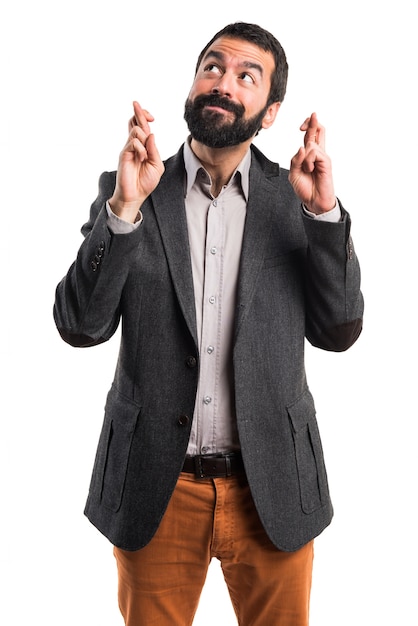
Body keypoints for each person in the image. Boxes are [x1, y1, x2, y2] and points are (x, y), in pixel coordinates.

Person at [53, 21, 363, 626]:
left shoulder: (297, 197)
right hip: (156, 488)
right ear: (193, 85)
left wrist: (323, 213)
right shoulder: (133, 190)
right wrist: (123, 210)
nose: (223, 83)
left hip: (271, 485)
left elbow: (341, 330)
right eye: (212, 67)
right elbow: (79, 325)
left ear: (269, 112)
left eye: (247, 76)